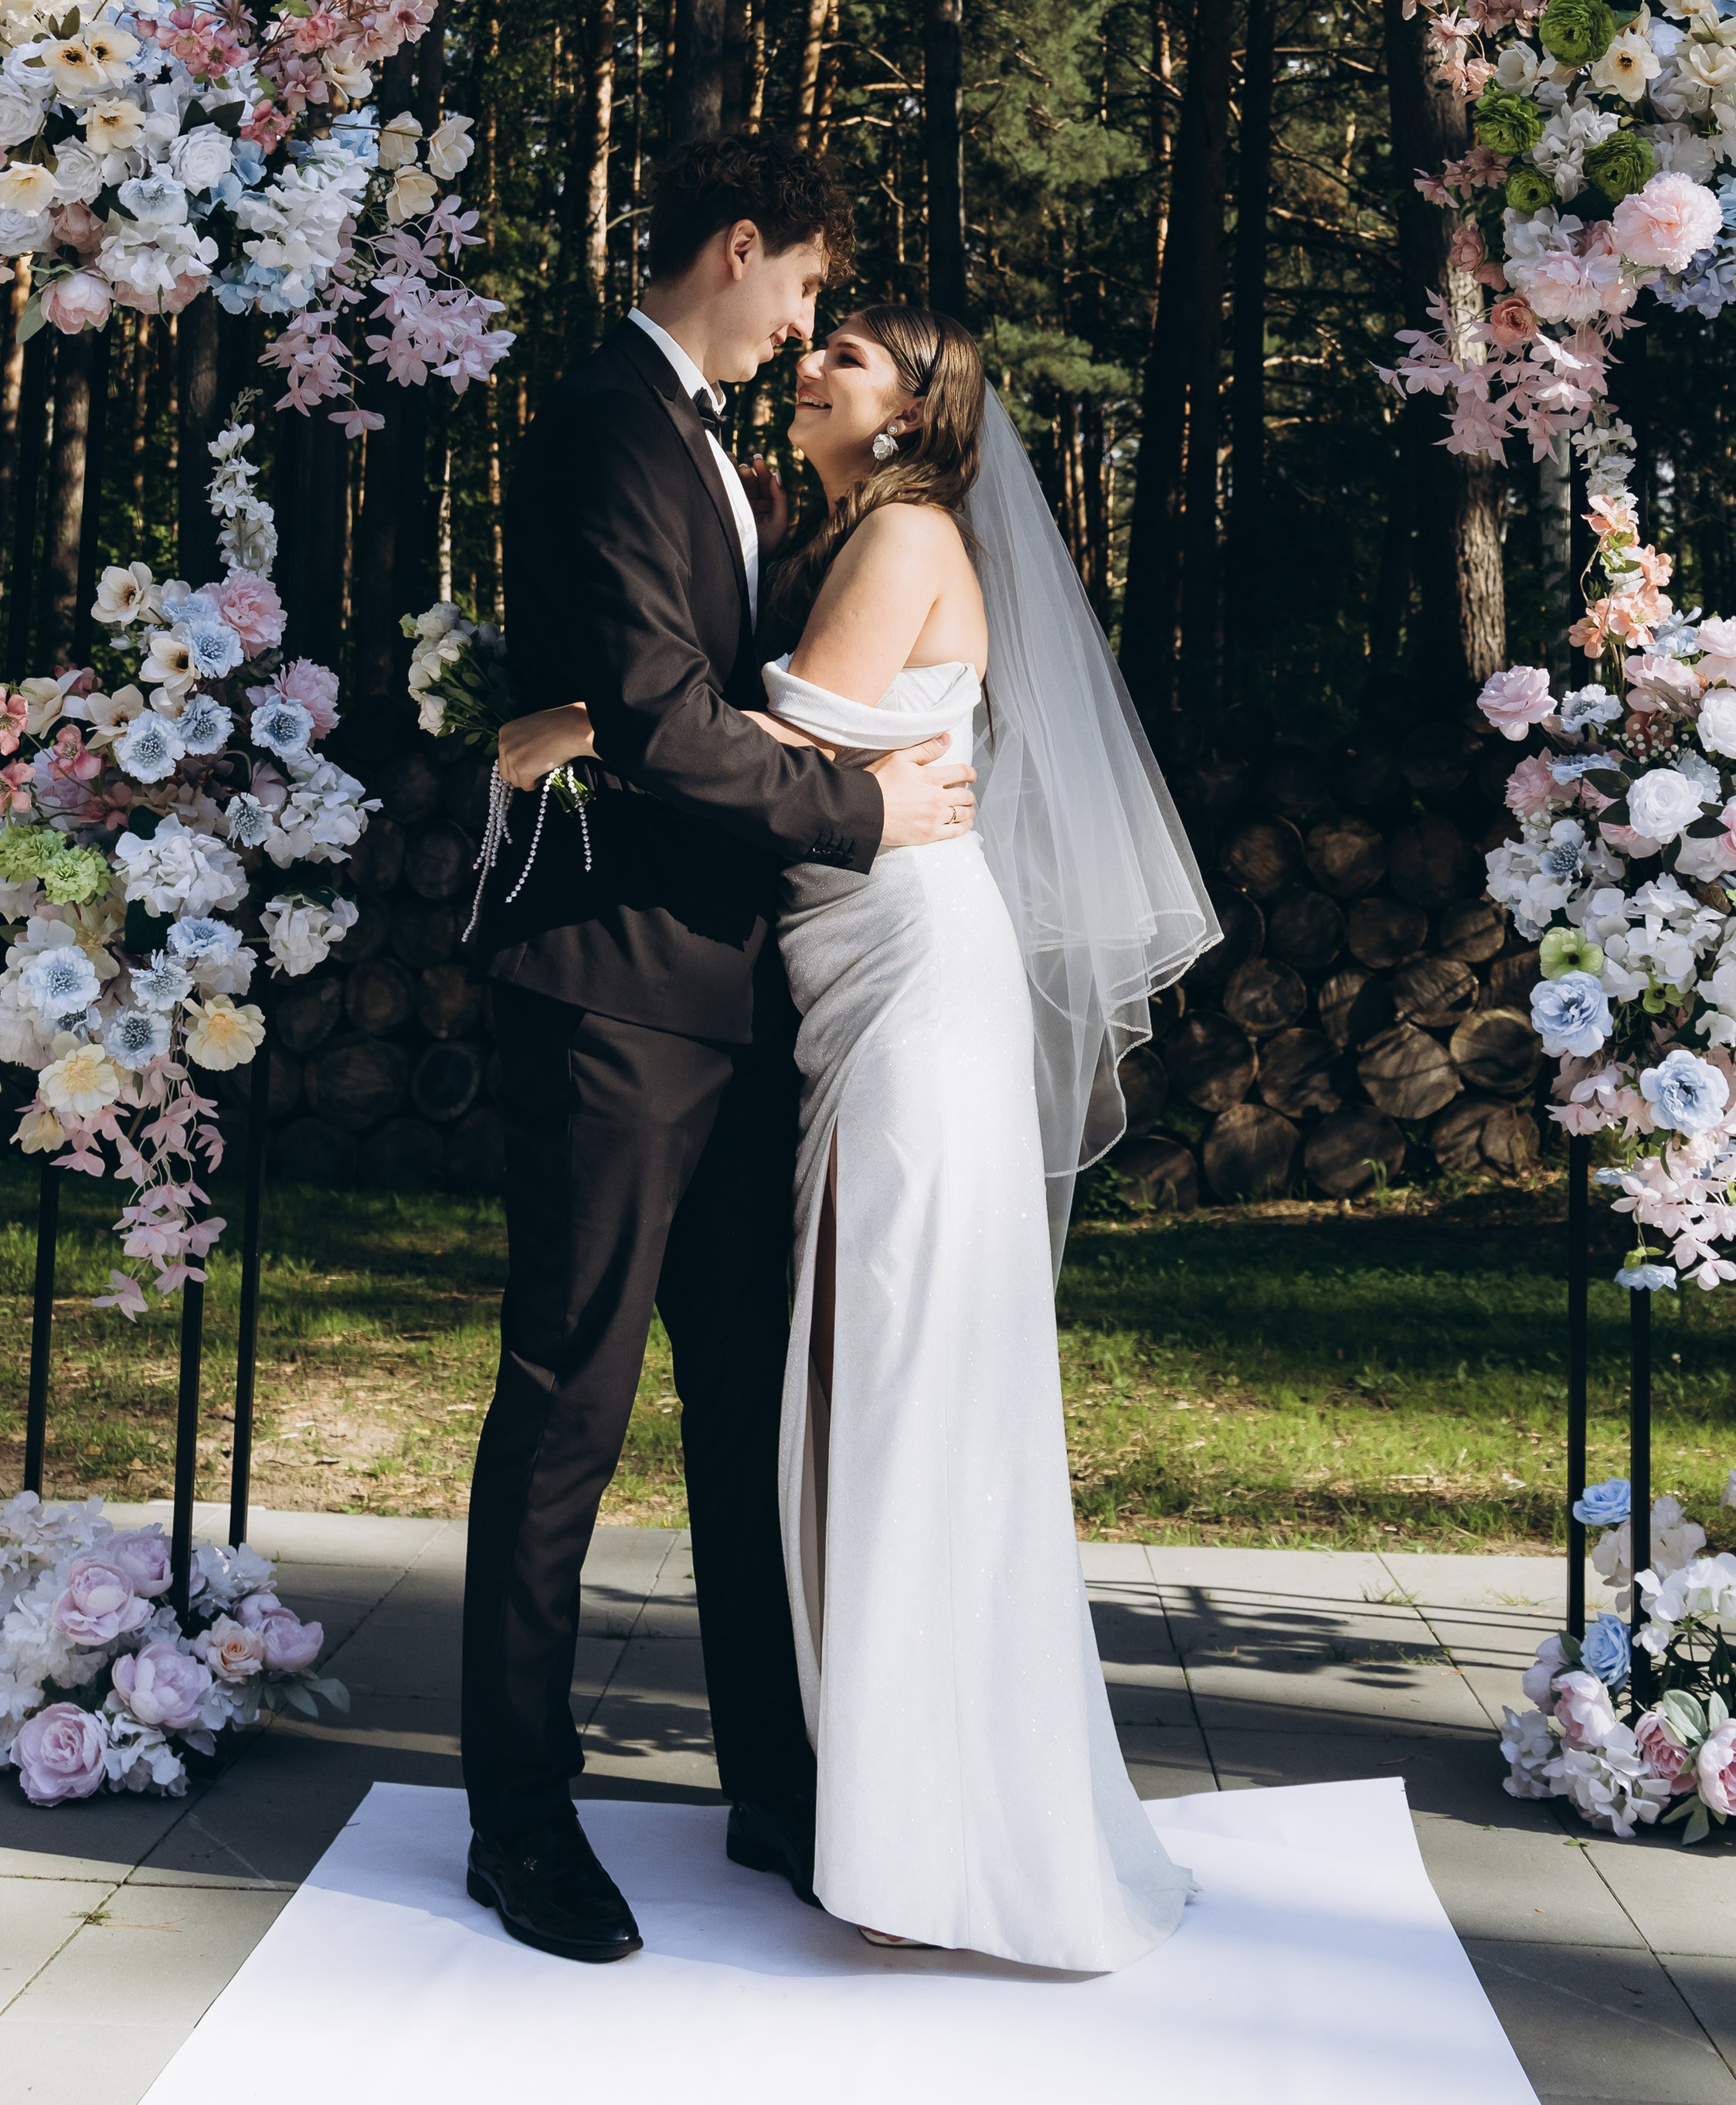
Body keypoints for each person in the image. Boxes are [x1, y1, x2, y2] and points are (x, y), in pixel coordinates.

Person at [500, 301, 1219, 1971]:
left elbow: (787, 738)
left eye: (852, 358)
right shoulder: (864, 527)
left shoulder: (899, 529)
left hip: (910, 989)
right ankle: (890, 1796)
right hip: (853, 990)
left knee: (905, 1381)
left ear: (912, 416)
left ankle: (940, 1829)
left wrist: (588, 725)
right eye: (816, 342)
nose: (812, 361)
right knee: (876, 1381)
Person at [462, 139, 977, 1967]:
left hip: (735, 1001)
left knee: (751, 1407)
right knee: (567, 1408)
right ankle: (519, 1819)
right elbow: (677, 727)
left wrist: (565, 717)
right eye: (805, 292)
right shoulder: (609, 421)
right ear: (738, 249)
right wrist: (860, 806)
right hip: (606, 996)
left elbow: (647, 691)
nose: (807, 326)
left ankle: (774, 1781)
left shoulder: (718, 453)